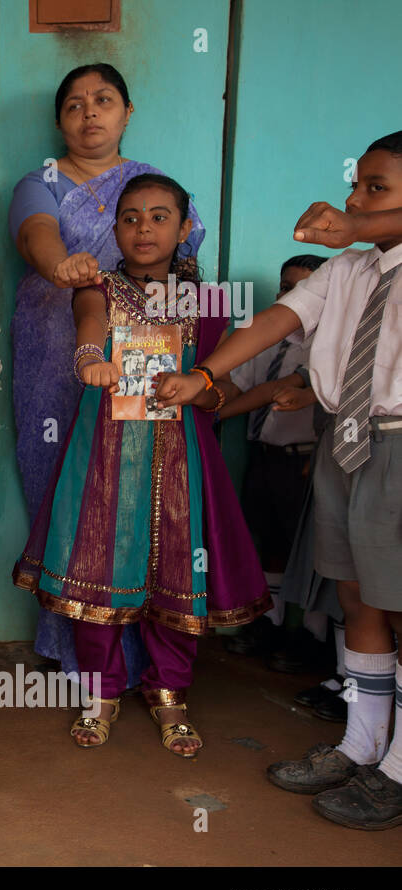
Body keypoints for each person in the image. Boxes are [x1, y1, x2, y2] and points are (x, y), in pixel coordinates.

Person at [159, 132, 402, 829]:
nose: (355, 199)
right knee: (358, 600)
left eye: (375, 189)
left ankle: (398, 770)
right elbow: (276, 320)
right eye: (357, 186)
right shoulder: (349, 271)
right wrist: (205, 375)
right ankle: (362, 745)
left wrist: (354, 223)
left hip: (398, 444)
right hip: (344, 443)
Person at [13, 173, 269, 757]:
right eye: (129, 217)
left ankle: (170, 693)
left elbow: (221, 390)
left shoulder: (207, 305)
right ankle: (101, 693)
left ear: (184, 229)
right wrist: (89, 361)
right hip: (104, 453)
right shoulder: (98, 288)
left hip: (183, 457)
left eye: (159, 217)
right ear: (114, 229)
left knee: (181, 567)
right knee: (98, 563)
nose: (143, 228)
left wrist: (197, 389)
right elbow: (88, 329)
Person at [9, 63, 205, 677]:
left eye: (103, 100)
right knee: (65, 491)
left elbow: (184, 268)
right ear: (59, 119)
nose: (89, 113)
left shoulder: (153, 191)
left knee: (137, 491)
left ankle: (142, 647)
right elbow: (37, 235)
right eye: (73, 104)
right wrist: (63, 266)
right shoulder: (39, 182)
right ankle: (75, 647)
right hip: (52, 350)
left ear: (127, 112)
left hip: (142, 352)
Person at [221, 255, 335, 675]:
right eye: (286, 288)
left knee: (315, 554)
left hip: (307, 460)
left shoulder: (329, 344)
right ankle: (268, 625)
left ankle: (310, 636)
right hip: (266, 458)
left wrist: (217, 413)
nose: (291, 297)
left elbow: (277, 389)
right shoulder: (269, 341)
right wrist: (206, 392)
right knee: (268, 544)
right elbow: (236, 383)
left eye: (302, 290)